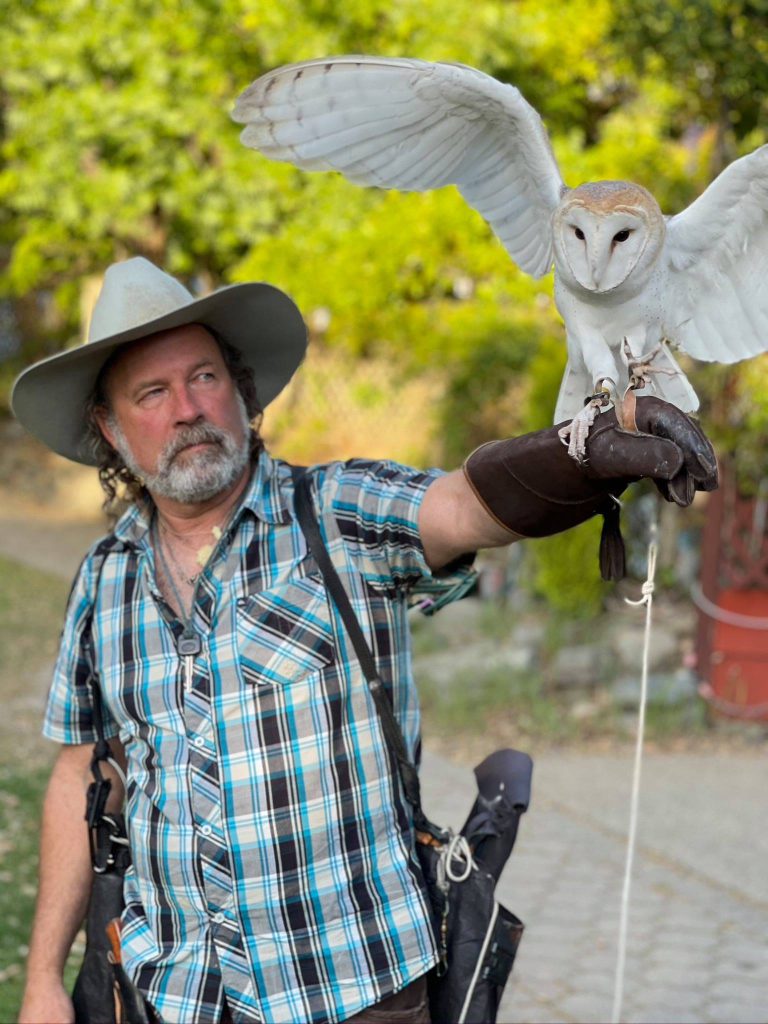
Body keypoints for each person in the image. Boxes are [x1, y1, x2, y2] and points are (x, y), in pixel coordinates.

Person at [13, 257, 717, 1024]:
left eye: (205, 377)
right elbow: (81, 774)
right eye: (152, 393)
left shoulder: (338, 513)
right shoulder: (104, 579)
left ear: (241, 392)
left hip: (357, 990)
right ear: (112, 430)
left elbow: (460, 507)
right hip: (174, 996)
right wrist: (44, 976)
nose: (187, 409)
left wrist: (583, 451)